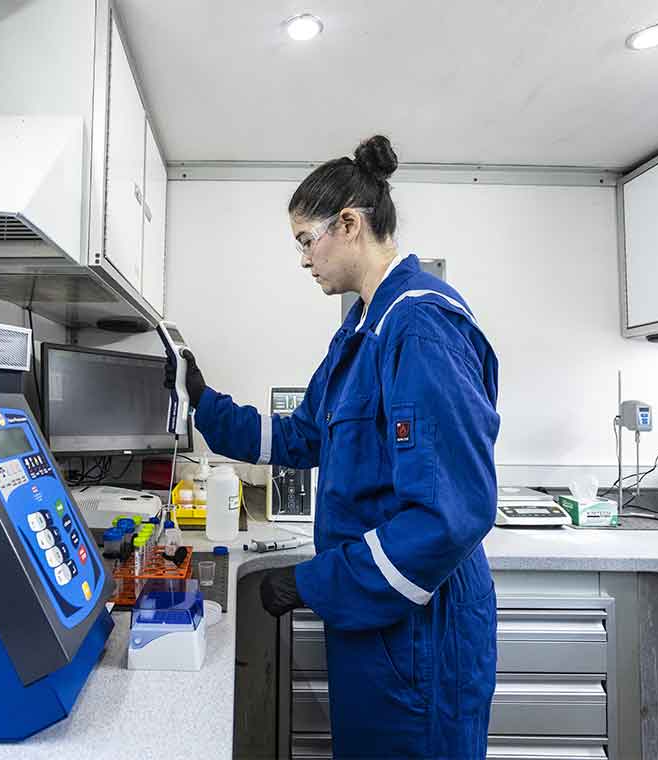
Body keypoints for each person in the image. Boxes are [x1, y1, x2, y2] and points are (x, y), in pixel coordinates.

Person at [165, 135, 500, 759]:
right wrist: (204, 401)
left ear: (348, 224)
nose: (302, 259)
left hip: (419, 631)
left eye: (304, 240)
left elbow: (448, 517)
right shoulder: (362, 331)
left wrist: (314, 582)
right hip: (375, 624)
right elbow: (300, 436)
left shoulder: (420, 328)